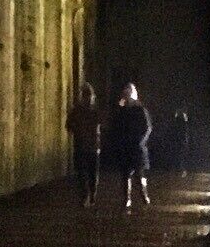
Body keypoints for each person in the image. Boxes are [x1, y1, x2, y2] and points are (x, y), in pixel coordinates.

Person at [104, 82, 151, 212]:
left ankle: (144, 195)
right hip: (125, 146)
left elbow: (147, 128)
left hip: (136, 146)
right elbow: (115, 125)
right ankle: (127, 199)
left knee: (139, 174)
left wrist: (140, 141)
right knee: (126, 174)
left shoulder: (140, 110)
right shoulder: (122, 111)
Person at [65, 83, 103, 206]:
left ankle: (88, 195)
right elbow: (69, 125)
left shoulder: (79, 110)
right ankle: (89, 195)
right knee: (88, 173)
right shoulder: (85, 111)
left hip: (86, 145)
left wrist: (77, 130)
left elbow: (69, 126)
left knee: (86, 173)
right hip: (87, 145)